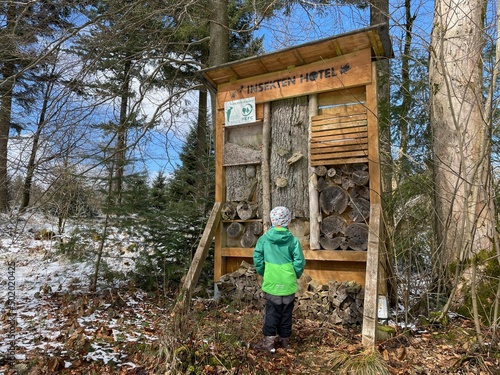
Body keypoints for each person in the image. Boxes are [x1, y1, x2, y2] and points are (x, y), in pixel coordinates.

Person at [252, 206, 305, 352]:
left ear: (272, 221)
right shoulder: (293, 240)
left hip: (272, 281)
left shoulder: (264, 240)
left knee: (272, 312)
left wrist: (264, 272)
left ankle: (268, 342)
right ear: (288, 222)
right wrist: (294, 274)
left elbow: (257, 258)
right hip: (288, 282)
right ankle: (285, 340)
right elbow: (299, 261)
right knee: (286, 312)